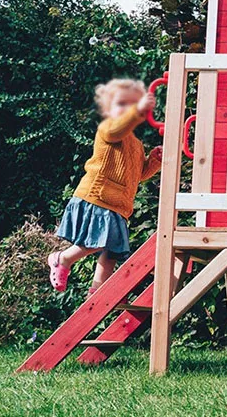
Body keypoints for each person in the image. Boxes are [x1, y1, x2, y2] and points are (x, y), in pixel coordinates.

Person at [47, 78, 162, 296]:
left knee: (111, 253)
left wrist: (153, 161)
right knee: (101, 242)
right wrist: (137, 110)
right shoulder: (108, 129)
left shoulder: (136, 145)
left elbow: (137, 175)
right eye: (121, 104)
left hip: (118, 206)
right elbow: (118, 129)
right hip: (99, 197)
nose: (127, 110)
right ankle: (63, 258)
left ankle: (96, 293)